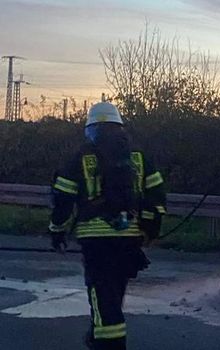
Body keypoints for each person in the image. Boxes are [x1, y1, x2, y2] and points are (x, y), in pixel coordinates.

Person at [48, 101, 166, 350]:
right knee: (114, 296)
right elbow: (156, 195)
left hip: (96, 240)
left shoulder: (80, 157)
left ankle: (107, 343)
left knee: (103, 297)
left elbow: (63, 199)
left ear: (92, 129)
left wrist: (57, 232)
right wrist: (149, 229)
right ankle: (98, 336)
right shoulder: (139, 156)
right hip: (130, 239)